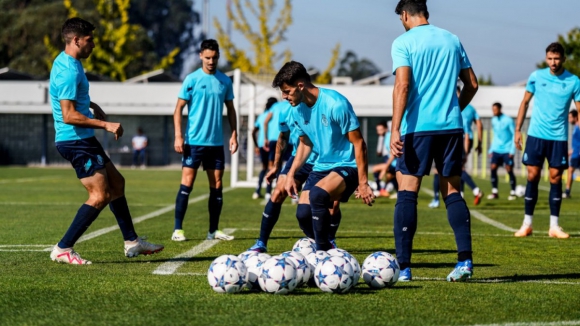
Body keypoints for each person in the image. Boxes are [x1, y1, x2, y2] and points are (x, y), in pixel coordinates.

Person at [49, 18, 164, 265]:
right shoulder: (69, 70)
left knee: (117, 183)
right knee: (100, 195)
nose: (94, 45)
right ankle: (63, 248)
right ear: (76, 40)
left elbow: (69, 97)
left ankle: (132, 242)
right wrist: (105, 124)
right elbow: (68, 115)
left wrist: (91, 104)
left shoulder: (68, 63)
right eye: (90, 40)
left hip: (83, 139)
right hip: (75, 140)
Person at [390, 0, 479, 282]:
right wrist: (454, 110)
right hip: (451, 127)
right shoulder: (452, 39)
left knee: (407, 189)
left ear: (405, 14)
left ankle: (403, 267)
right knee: (452, 191)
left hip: (418, 129)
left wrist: (394, 128)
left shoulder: (403, 42)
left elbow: (402, 85)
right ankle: (464, 262)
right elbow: (472, 85)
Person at [272, 61, 374, 251]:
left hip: (347, 165)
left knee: (318, 196)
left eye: (286, 92)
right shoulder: (296, 110)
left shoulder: (336, 104)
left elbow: (359, 143)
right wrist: (291, 174)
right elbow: (305, 143)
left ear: (300, 86)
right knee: (303, 214)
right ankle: (327, 245)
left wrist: (363, 182)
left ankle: (322, 253)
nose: (284, 97)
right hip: (321, 166)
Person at [247, 100, 342, 252]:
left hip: (324, 160)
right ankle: (261, 242)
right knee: (278, 192)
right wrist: (277, 165)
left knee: (331, 205)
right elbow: (283, 137)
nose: (284, 96)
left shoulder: (323, 106)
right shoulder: (285, 111)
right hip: (298, 158)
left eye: (287, 91)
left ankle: (329, 239)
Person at [172, 39, 238, 242]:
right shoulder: (191, 80)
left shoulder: (225, 81)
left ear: (218, 57)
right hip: (194, 142)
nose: (211, 61)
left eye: (215, 57)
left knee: (217, 185)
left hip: (216, 143)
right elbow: (178, 109)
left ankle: (213, 230)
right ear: (201, 56)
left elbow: (231, 109)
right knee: (187, 183)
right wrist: (178, 135)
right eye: (208, 57)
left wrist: (234, 134)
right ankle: (178, 230)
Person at [514, 42, 580, 239]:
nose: (553, 62)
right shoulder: (536, 77)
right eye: (550, 58)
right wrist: (518, 130)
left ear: (563, 59)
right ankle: (527, 224)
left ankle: (554, 226)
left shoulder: (574, 81)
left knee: (556, 178)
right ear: (546, 58)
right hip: (535, 135)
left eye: (557, 58)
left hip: (558, 137)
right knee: (532, 176)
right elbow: (524, 102)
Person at [429, 86, 483, 208]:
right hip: (465, 139)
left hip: (457, 138)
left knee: (446, 169)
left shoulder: (452, 105)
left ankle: (475, 190)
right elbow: (479, 124)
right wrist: (479, 142)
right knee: (457, 168)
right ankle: (460, 194)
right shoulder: (470, 107)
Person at [488, 102, 517, 200]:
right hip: (496, 149)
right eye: (493, 110)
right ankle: (494, 192)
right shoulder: (493, 120)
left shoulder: (508, 120)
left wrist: (512, 150)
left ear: (500, 109)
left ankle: (513, 192)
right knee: (493, 167)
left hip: (507, 149)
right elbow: (495, 135)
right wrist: (491, 149)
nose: (494, 112)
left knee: (509, 169)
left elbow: (514, 134)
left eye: (495, 110)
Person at [252, 97, 278, 200]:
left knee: (264, 167)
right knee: (272, 167)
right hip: (271, 143)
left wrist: (256, 145)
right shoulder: (275, 115)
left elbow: (253, 131)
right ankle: (268, 192)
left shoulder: (262, 116)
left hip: (261, 145)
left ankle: (257, 190)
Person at [564, 109, 580, 198]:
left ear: (575, 117)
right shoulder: (575, 127)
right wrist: (570, 152)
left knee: (570, 171)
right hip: (575, 153)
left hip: (578, 154)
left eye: (570, 117)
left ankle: (567, 191)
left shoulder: (578, 125)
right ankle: (567, 191)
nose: (569, 119)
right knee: (570, 171)